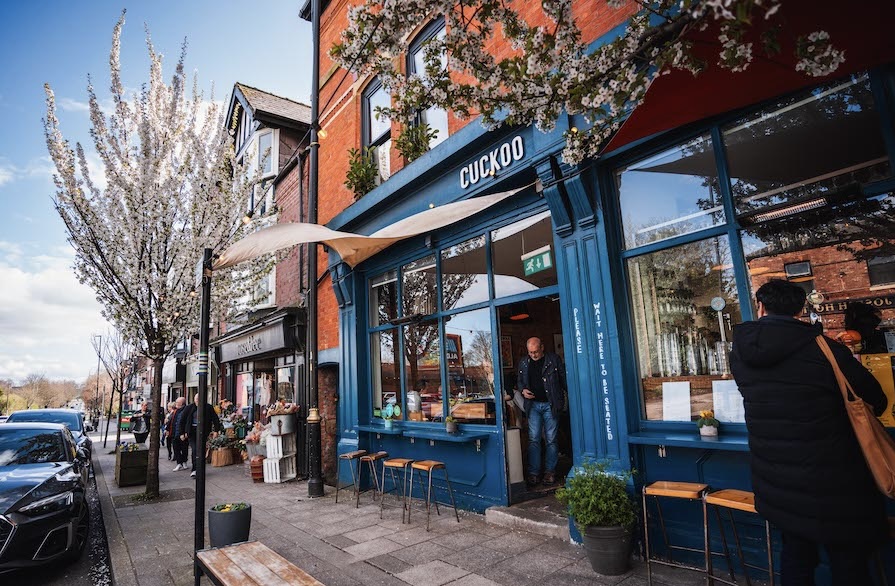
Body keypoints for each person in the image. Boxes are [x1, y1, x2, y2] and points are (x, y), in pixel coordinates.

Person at [730, 280, 888, 586]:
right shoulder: (825, 349)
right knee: (849, 565)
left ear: (760, 307)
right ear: (802, 309)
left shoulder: (742, 353)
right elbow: (875, 399)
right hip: (836, 483)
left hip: (778, 482)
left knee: (796, 560)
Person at [516, 336, 566, 486]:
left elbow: (564, 380)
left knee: (551, 440)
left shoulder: (553, 360)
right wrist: (523, 390)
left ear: (542, 347)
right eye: (531, 352)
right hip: (533, 406)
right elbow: (519, 382)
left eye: (536, 352)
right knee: (533, 440)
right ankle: (533, 473)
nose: (533, 355)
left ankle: (550, 472)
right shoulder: (524, 363)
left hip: (550, 405)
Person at [177, 393, 223, 479]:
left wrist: (216, 430)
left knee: (201, 450)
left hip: (203, 431)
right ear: (194, 399)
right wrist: (181, 433)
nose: (197, 400)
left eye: (199, 399)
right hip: (192, 431)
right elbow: (182, 421)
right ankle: (195, 469)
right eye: (196, 399)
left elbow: (215, 419)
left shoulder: (208, 407)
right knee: (194, 449)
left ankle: (200, 469)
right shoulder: (189, 408)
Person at [170, 397, 189, 471]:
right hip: (175, 433)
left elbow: (187, 422)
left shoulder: (186, 411)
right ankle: (179, 463)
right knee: (176, 448)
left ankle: (184, 461)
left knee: (184, 448)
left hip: (183, 433)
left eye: (177, 402)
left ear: (181, 403)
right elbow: (171, 420)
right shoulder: (175, 411)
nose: (176, 403)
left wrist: (185, 432)